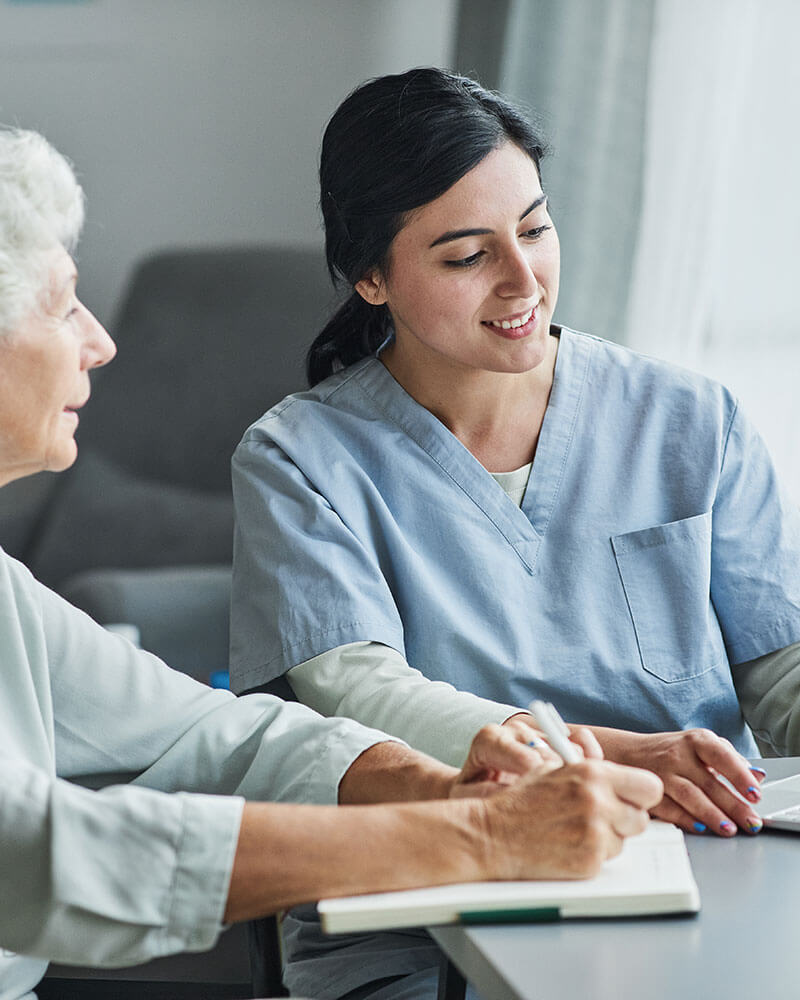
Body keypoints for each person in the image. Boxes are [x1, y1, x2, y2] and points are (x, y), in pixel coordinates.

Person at [0, 125, 663, 1000]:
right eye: (61, 306)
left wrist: (445, 792)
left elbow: (220, 734)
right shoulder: (304, 450)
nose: (99, 341)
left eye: (534, 230)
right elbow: (47, 856)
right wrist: (485, 839)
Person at [230, 67, 800, 997]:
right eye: (467, 256)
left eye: (534, 228)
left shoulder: (693, 421)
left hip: (700, 884)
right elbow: (364, 697)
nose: (524, 278)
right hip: (424, 911)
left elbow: (780, 671)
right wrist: (618, 755)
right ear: (372, 275)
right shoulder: (299, 460)